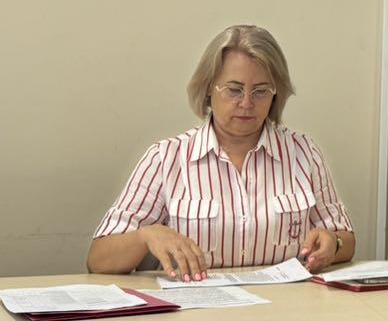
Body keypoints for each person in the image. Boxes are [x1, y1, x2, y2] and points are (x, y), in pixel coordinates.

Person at [86, 25, 355, 281]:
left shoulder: (304, 153)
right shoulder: (166, 158)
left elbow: (345, 239)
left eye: (260, 91)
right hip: (197, 305)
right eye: (234, 90)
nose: (246, 103)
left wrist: (334, 243)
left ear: (276, 94)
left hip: (287, 303)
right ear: (207, 88)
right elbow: (98, 260)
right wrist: (146, 236)